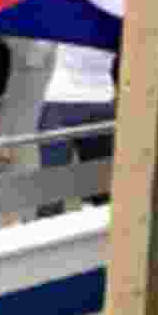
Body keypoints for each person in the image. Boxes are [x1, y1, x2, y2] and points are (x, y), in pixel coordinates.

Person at [36, 42, 117, 216]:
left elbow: (39, 52)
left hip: (60, 101)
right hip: (101, 100)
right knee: (100, 188)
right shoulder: (117, 24)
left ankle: (49, 226)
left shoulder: (63, 22)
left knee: (51, 187)